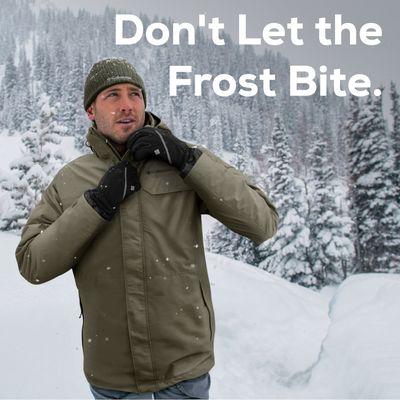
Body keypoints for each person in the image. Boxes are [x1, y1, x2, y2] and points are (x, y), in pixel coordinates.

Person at [15, 58, 279, 399]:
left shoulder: (182, 163)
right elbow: (32, 263)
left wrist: (188, 160)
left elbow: (263, 222)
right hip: (114, 376)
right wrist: (96, 204)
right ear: (91, 111)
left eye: (135, 94)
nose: (127, 105)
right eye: (113, 95)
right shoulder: (70, 180)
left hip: (184, 368)